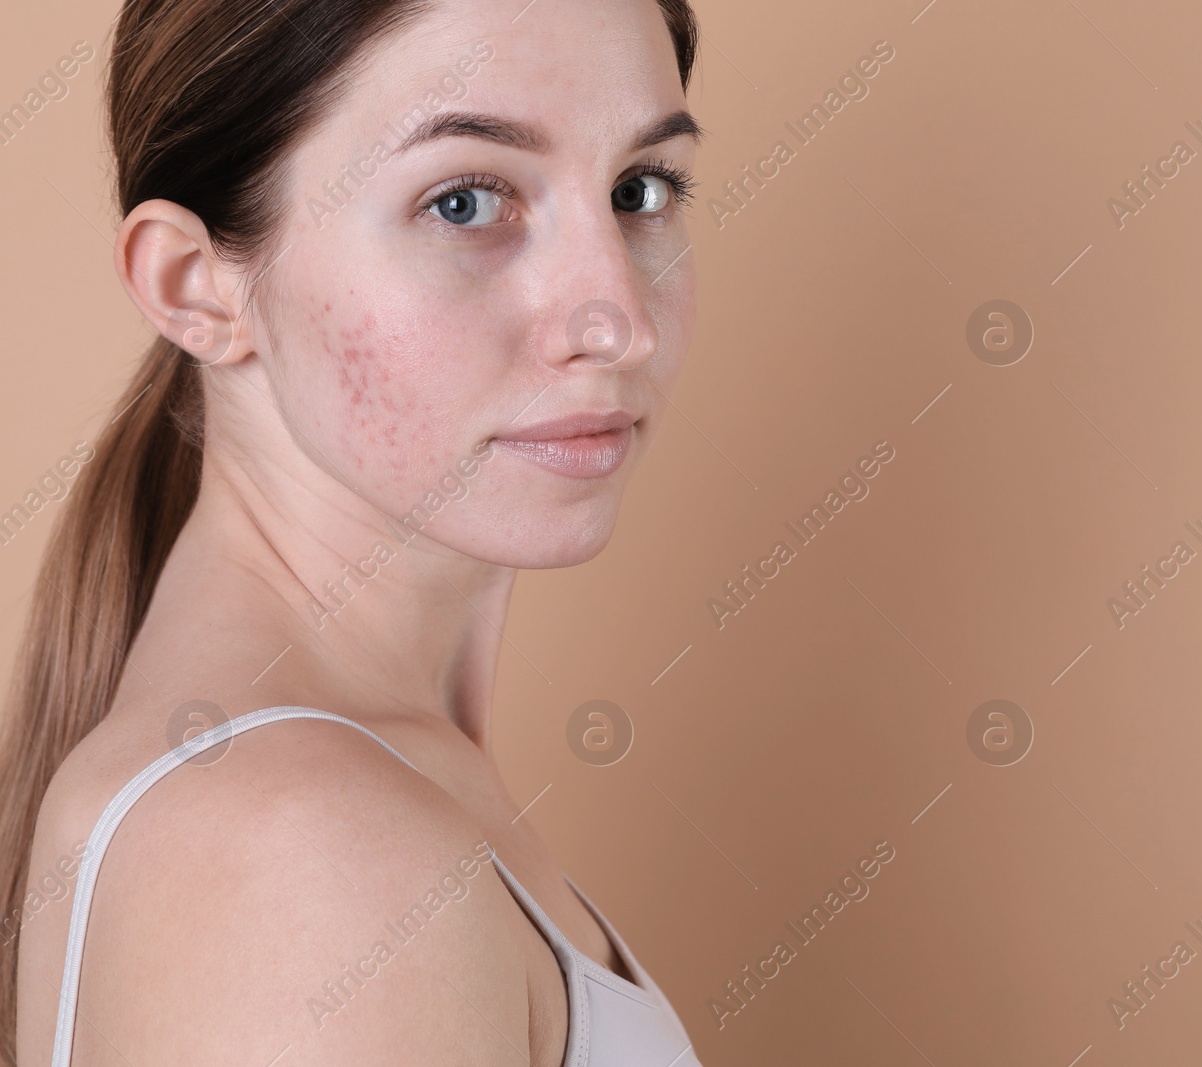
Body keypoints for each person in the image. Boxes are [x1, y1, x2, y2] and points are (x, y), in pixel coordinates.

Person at [0, 0, 705, 1063]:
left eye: (637, 191)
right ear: (194, 287)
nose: (617, 319)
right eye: (465, 201)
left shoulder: (332, 790)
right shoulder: (303, 851)